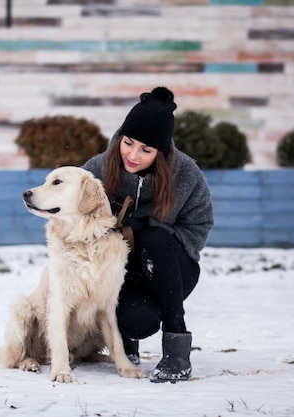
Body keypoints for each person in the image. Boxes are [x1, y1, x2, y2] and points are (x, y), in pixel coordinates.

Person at [82, 86, 214, 383]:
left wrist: (150, 231)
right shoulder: (97, 170)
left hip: (174, 268)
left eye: (146, 149)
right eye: (128, 143)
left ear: (161, 152)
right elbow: (75, 219)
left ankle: (177, 350)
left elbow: (200, 225)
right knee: (136, 320)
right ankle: (127, 347)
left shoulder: (186, 174)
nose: (133, 154)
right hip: (124, 274)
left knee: (154, 239)